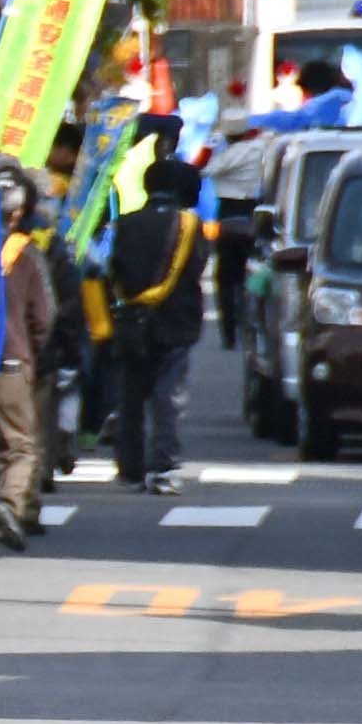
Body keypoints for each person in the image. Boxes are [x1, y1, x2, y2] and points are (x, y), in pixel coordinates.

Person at [101, 156, 210, 495]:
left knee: (131, 395)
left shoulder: (127, 224)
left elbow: (113, 270)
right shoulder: (189, 226)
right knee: (167, 395)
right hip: (177, 320)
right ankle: (162, 464)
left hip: (133, 321)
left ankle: (130, 467)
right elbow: (198, 265)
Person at [0, 175, 59, 549]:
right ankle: (8, 502)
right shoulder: (26, 252)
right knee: (18, 445)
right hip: (12, 360)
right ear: (17, 213)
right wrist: (32, 351)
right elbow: (43, 315)